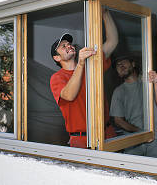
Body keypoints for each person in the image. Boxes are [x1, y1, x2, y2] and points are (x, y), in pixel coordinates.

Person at [50, 10, 118, 149]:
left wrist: (104, 13)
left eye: (69, 43)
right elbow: (69, 95)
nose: (69, 45)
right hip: (82, 140)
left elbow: (113, 41)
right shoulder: (57, 78)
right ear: (57, 58)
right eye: (63, 46)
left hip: (107, 133)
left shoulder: (91, 66)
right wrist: (81, 63)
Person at [110, 55, 157, 158]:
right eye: (117, 65)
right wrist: (141, 133)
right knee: (132, 172)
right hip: (132, 141)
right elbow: (118, 120)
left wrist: (156, 83)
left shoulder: (148, 81)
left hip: (155, 137)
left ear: (133, 64)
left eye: (123, 61)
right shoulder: (118, 91)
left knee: (155, 171)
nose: (120, 65)